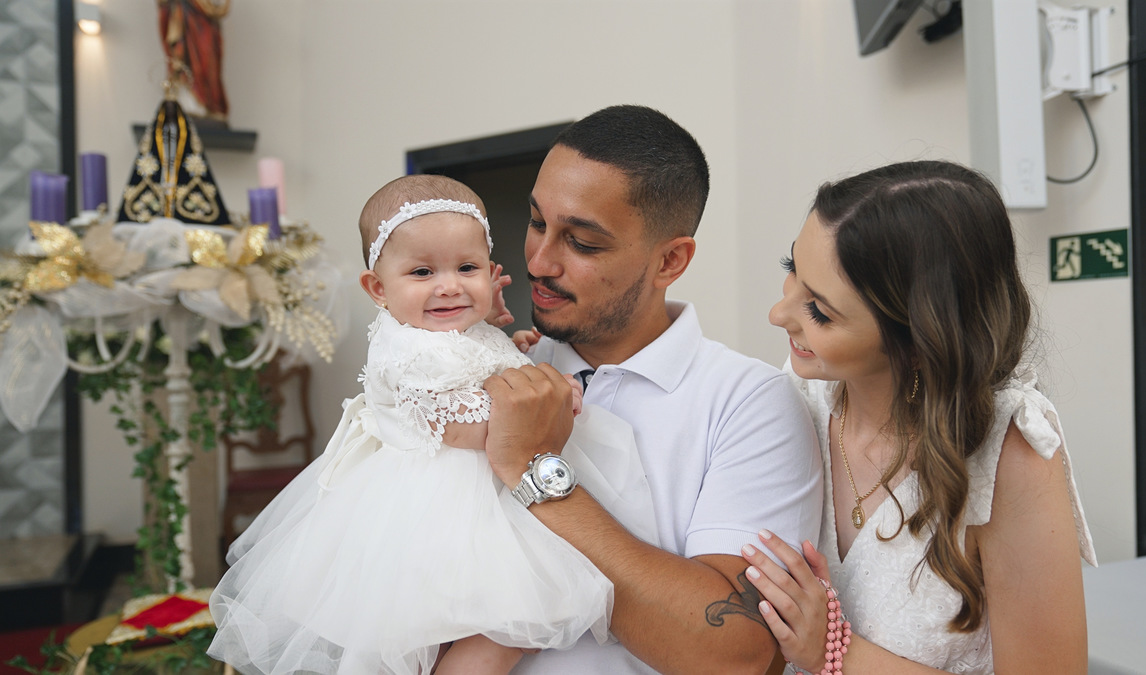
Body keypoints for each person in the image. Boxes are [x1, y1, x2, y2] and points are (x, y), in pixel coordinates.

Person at [208, 174, 644, 674]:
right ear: (378, 288)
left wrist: (509, 348)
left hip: (482, 497)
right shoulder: (408, 352)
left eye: (467, 267)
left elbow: (475, 356)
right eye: (422, 272)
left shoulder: (444, 325)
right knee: (501, 629)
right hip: (434, 507)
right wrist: (544, 397)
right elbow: (460, 425)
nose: (449, 285)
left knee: (496, 625)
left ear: (491, 271)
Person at [480, 105, 824, 674]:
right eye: (537, 222)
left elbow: (734, 657)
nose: (539, 262)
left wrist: (535, 469)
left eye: (582, 243)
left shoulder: (747, 402)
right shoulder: (495, 371)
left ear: (670, 260)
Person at [740, 160, 1096, 674]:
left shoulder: (1009, 450)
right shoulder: (798, 394)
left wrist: (833, 650)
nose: (779, 314)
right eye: (790, 268)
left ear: (918, 339)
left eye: (819, 311)